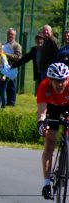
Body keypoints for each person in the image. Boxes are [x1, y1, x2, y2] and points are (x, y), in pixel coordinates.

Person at [36, 62, 69, 200]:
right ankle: (46, 184)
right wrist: (41, 124)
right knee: (49, 143)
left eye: (63, 81)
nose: (60, 84)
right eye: (57, 81)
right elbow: (42, 112)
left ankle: (65, 159)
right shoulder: (44, 86)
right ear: (50, 80)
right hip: (52, 109)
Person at [2, 28, 22, 106]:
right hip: (4, 67)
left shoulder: (17, 45)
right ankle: (7, 101)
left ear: (15, 35)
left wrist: (7, 55)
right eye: (9, 33)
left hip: (12, 67)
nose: (10, 35)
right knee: (6, 86)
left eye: (12, 34)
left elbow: (19, 57)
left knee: (12, 86)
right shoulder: (4, 44)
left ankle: (12, 102)